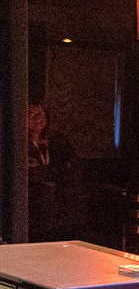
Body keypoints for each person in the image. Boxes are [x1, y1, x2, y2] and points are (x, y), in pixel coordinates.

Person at [27, 102, 84, 243]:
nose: (39, 119)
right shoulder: (17, 144)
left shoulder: (57, 142)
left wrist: (45, 172)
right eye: (32, 115)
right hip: (34, 208)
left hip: (60, 207)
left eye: (42, 115)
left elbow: (72, 168)